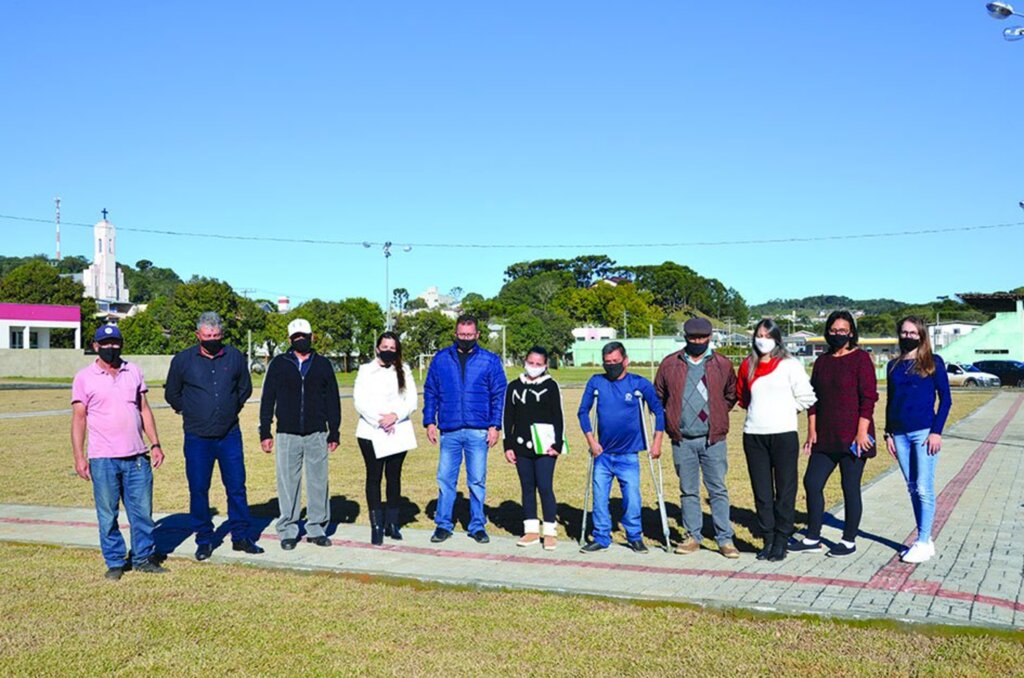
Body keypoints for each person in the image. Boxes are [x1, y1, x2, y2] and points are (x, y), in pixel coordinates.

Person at [71, 324, 168, 580]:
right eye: (106, 343)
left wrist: (155, 444)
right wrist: (79, 457)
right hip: (103, 459)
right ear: (95, 346)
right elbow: (79, 419)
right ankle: (115, 561)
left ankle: (143, 557)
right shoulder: (84, 377)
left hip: (137, 457)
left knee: (142, 513)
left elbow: (144, 409)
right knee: (107, 514)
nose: (111, 348)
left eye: (116, 343)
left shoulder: (133, 371)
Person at [165, 311, 261, 561]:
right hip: (197, 437)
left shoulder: (234, 356)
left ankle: (240, 536)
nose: (212, 339)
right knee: (199, 489)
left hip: (229, 435)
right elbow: (172, 393)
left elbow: (245, 388)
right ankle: (204, 539)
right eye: (207, 336)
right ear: (198, 335)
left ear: (222, 334)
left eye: (216, 335)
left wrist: (229, 409)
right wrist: (191, 410)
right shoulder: (183, 360)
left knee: (237, 487)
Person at [790, 310, 878, 558]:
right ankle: (812, 537)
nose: (838, 334)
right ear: (827, 331)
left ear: (851, 332)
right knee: (812, 483)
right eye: (834, 330)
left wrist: (862, 433)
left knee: (849, 487)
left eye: (843, 330)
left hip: (853, 439)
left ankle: (849, 540)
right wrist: (811, 432)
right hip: (825, 438)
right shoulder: (822, 362)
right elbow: (813, 400)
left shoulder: (861, 359)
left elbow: (868, 399)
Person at [654, 317, 739, 558]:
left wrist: (718, 413)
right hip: (683, 440)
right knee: (688, 490)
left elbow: (730, 394)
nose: (698, 342)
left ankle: (725, 538)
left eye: (702, 338)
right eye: (693, 338)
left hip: (713, 439)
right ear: (685, 337)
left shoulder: (722, 364)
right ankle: (693, 536)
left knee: (718, 490)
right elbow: (658, 396)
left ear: (710, 337)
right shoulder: (670, 364)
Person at [736, 319, 816, 562]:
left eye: (767, 335)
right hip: (754, 436)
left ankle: (782, 538)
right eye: (759, 335)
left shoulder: (790, 365)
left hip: (784, 435)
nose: (762, 339)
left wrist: (784, 410)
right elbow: (743, 397)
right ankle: (767, 538)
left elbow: (807, 397)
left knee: (785, 490)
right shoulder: (747, 365)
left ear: (777, 339)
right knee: (762, 491)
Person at [422, 314, 507, 544]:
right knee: (445, 479)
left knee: (477, 480)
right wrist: (429, 421)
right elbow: (431, 391)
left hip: (478, 429)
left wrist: (495, 425)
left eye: (470, 335)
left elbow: (499, 394)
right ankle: (443, 524)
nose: (465, 338)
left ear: (477, 334)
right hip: (449, 430)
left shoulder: (489, 360)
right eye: (461, 335)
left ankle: (477, 525)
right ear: (455, 334)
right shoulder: (441, 359)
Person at [259, 318, 341, 550]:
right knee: (287, 483)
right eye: (296, 337)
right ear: (290, 340)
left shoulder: (323, 364)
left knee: (318, 481)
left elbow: (333, 400)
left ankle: (316, 528)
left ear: (312, 336)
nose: (300, 340)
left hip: (316, 433)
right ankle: (288, 529)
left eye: (304, 335)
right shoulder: (278, 364)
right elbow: (268, 399)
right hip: (286, 434)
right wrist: (265, 431)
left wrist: (334, 431)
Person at [578, 342, 665, 554]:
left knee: (632, 498)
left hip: (628, 455)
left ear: (625, 360)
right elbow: (582, 412)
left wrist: (656, 442)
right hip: (603, 454)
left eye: (616, 362)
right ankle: (601, 536)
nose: (612, 366)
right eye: (607, 362)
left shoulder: (639, 384)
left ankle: (634, 536)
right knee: (599, 498)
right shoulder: (596, 382)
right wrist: (591, 441)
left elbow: (658, 411)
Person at [884, 315, 952, 564]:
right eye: (904, 332)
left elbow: (945, 400)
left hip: (924, 433)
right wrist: (888, 433)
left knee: (924, 487)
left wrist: (937, 431)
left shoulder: (933, 362)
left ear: (921, 335)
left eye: (913, 333)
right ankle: (924, 537)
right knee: (912, 487)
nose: (908, 337)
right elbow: (891, 402)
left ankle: (923, 540)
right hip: (899, 435)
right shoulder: (893, 366)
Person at [353, 331, 418, 545]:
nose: (388, 351)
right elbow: (359, 400)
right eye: (385, 347)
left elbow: (411, 400)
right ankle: (376, 525)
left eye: (392, 348)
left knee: (394, 477)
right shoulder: (365, 370)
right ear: (377, 348)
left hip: (398, 431)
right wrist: (379, 421)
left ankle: (392, 523)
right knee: (374, 477)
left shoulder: (404, 370)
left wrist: (395, 417)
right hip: (371, 432)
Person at [502, 346, 564, 551]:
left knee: (545, 486)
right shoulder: (514, 387)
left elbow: (558, 416)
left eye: (539, 364)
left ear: (545, 366)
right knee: (527, 487)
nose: (534, 367)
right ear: (525, 362)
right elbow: (507, 418)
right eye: (531, 363)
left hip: (545, 447)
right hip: (521, 447)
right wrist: (508, 445)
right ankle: (531, 530)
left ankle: (550, 532)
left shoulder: (551, 386)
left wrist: (557, 445)